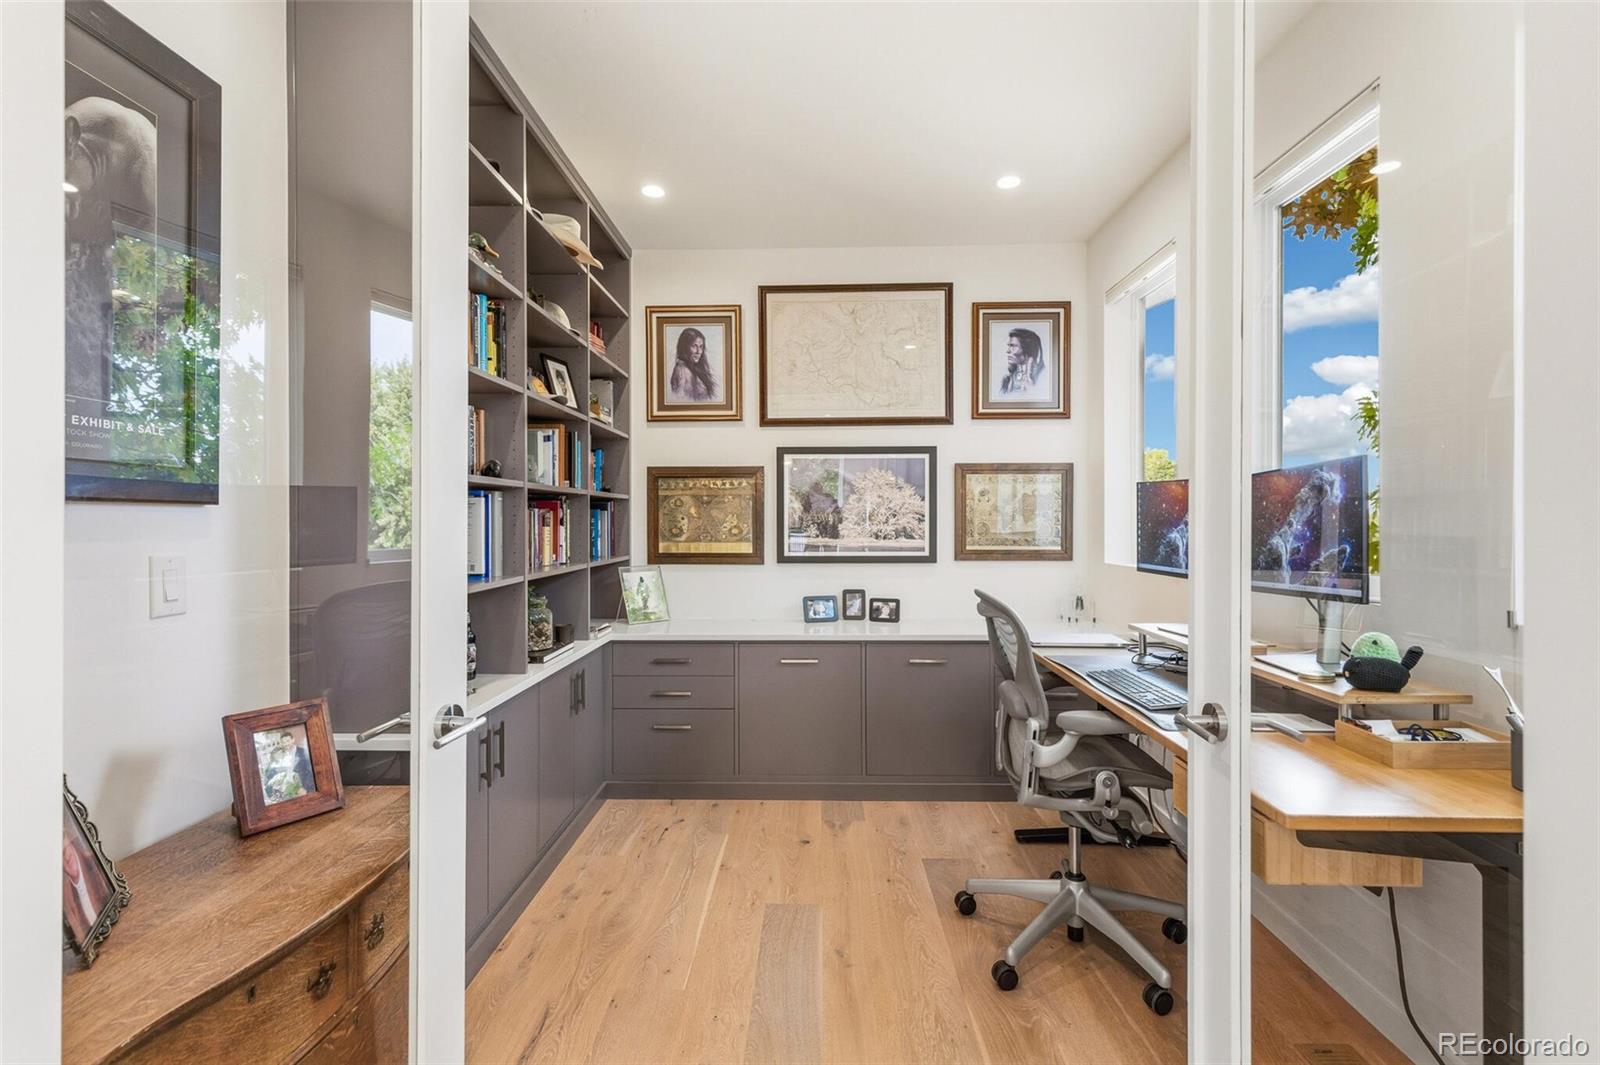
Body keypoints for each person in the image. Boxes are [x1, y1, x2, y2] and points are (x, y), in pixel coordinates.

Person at [668, 327, 719, 402]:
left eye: (701, 347)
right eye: (694, 346)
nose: (698, 351)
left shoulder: (693, 368)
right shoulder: (681, 371)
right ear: (684, 347)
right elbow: (678, 402)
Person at [999, 327, 1046, 395]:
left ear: (1027, 349)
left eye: (1013, 346)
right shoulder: (1007, 380)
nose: (1008, 350)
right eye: (1009, 346)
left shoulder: (1041, 377)